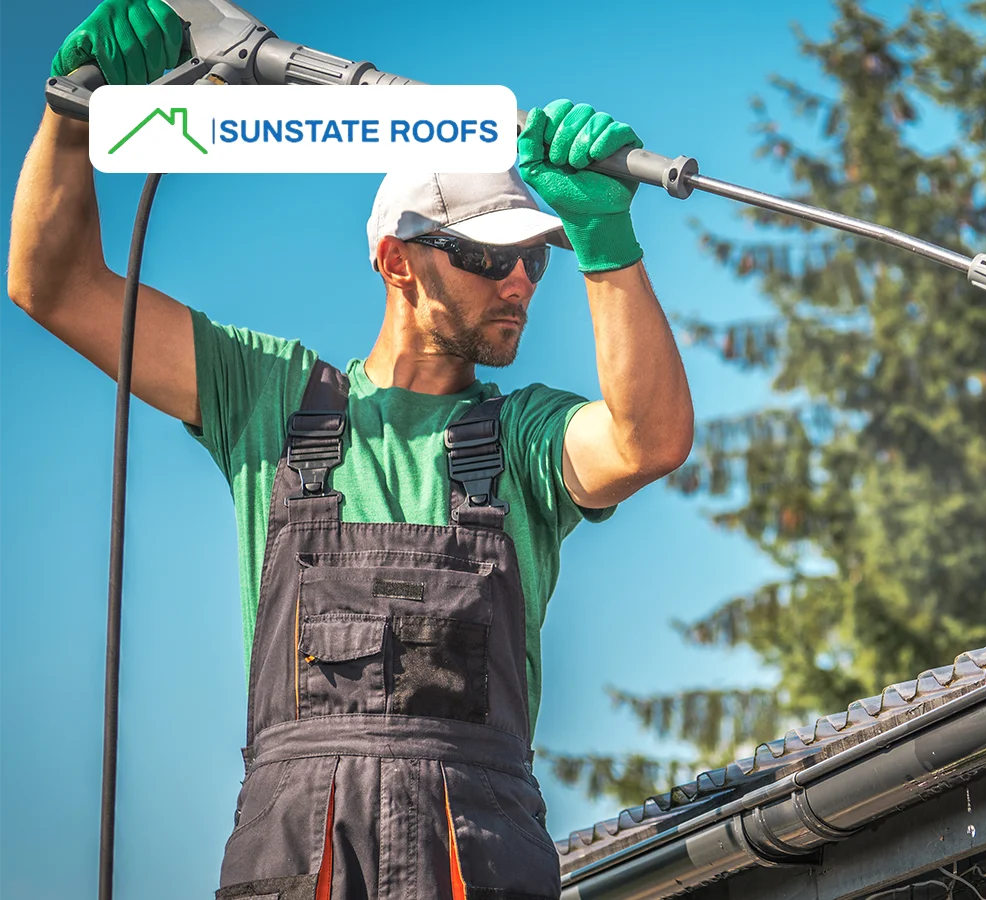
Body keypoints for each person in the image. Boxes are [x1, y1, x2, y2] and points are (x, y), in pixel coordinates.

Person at [9, 1, 694, 897]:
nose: (521, 281)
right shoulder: (270, 399)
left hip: (476, 852)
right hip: (302, 851)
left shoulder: (524, 439)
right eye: (489, 258)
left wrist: (608, 244)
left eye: (537, 259)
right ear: (396, 259)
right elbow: (53, 285)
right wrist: (74, 111)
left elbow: (648, 441)